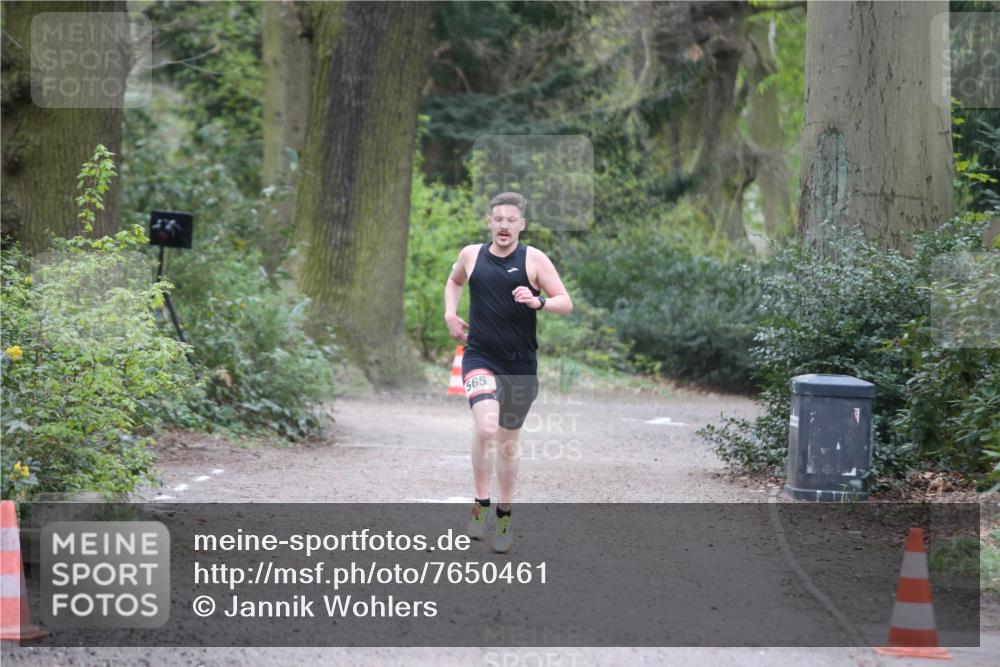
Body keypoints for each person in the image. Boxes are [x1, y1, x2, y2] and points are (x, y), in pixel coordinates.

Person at [443, 192, 573, 553]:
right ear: (489, 222)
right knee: (485, 428)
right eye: (497, 219)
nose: (503, 225)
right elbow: (453, 282)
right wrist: (450, 314)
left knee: (507, 441)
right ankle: (480, 504)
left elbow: (565, 301)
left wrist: (539, 301)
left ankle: (504, 513)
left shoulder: (533, 259)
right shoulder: (471, 255)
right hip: (480, 355)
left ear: (521, 225)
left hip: (520, 364)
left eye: (510, 220)